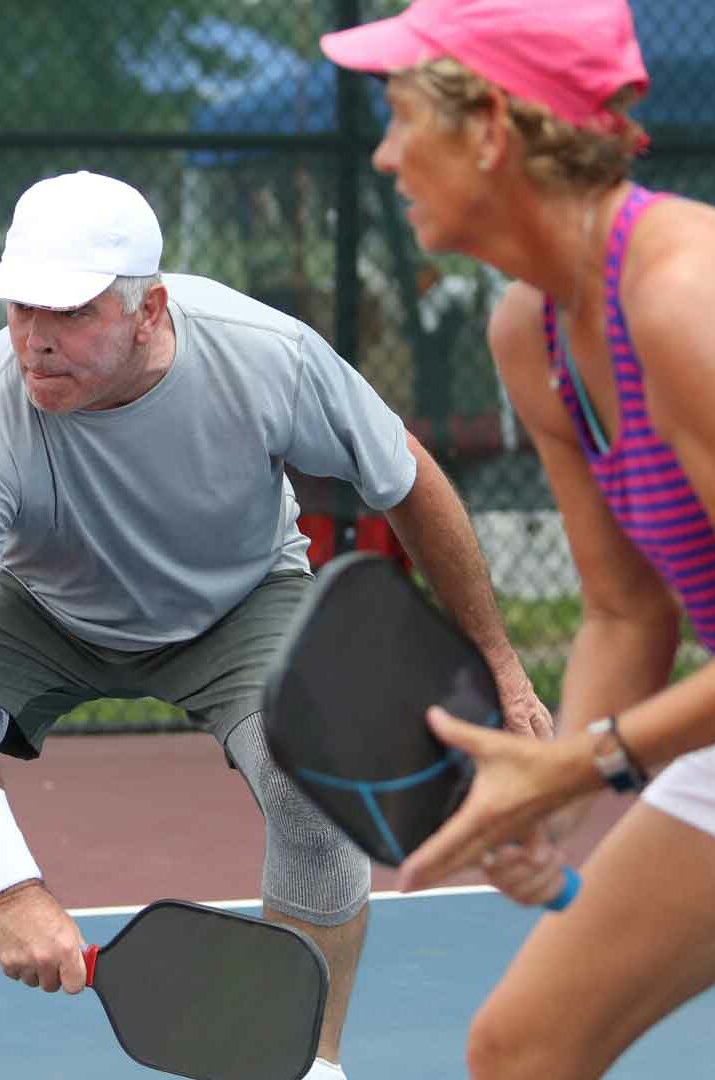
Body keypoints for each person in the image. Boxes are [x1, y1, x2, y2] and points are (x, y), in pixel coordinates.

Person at [0, 169, 548, 1080]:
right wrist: (10, 887)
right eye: (19, 310)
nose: (35, 342)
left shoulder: (264, 354)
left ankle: (303, 1063)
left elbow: (407, 479)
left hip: (238, 600)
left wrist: (499, 664)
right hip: (39, 608)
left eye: (69, 313)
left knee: (320, 774)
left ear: (149, 309)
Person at [321, 1, 715, 1077]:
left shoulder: (688, 302)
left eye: (401, 116)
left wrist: (581, 763)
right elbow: (628, 610)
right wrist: (549, 794)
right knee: (524, 1047)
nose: (386, 154)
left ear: (489, 126)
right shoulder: (531, 330)